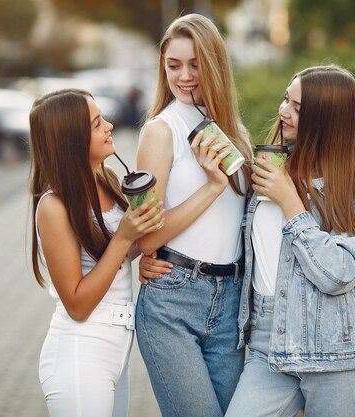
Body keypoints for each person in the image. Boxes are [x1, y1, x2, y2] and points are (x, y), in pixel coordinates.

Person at [223, 65, 355, 417]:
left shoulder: (348, 190)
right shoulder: (272, 167)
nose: (283, 112)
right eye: (286, 99)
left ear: (325, 121)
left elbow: (338, 274)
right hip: (269, 345)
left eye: (298, 108)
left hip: (335, 354)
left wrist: (291, 203)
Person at [134, 13, 253, 417]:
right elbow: (146, 238)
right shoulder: (159, 131)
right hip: (173, 302)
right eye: (173, 65)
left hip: (231, 304)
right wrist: (213, 186)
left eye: (195, 64)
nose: (184, 76)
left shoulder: (234, 131)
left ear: (215, 64)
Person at [28, 88, 164, 417]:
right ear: (71, 140)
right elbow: (76, 304)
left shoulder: (107, 178)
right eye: (96, 123)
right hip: (80, 353)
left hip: (115, 350)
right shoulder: (54, 206)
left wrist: (139, 251)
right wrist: (124, 240)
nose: (110, 126)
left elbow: (110, 258)